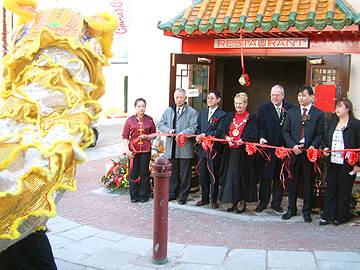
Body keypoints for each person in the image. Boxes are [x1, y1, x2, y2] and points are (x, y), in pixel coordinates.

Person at [282, 86, 325, 223]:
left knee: (308, 182)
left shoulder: (318, 114)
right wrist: (292, 145)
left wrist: (313, 146)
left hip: (308, 153)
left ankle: (307, 211)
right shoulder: (292, 112)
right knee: (293, 182)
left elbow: (320, 133)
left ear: (311, 97)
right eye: (299, 95)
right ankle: (291, 209)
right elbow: (286, 131)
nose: (301, 98)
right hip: (295, 152)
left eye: (304, 95)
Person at [320, 98, 360, 226]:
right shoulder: (333, 123)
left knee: (344, 191)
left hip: (348, 164)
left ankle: (341, 216)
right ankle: (327, 216)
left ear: (347, 108)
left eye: (340, 107)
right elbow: (326, 139)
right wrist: (325, 149)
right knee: (330, 189)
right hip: (332, 162)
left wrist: (358, 165)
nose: (337, 109)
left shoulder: (355, 124)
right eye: (336, 107)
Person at [256, 85, 294, 213]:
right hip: (268, 149)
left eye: (277, 95)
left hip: (283, 149)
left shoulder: (291, 109)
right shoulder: (263, 109)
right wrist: (261, 138)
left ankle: (276, 203)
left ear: (283, 95)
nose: (275, 97)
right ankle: (263, 202)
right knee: (266, 177)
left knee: (280, 177)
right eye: (272, 94)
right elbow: (260, 126)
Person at [156, 89, 198, 204]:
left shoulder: (192, 112)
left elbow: (194, 127)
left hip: (185, 149)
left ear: (185, 98)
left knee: (185, 175)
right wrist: (169, 130)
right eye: (176, 97)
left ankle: (183, 196)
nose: (178, 100)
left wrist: (183, 133)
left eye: (180, 97)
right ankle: (172, 193)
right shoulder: (169, 110)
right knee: (173, 173)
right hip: (171, 148)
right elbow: (160, 124)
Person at [219, 92, 258, 213]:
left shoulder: (252, 118)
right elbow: (222, 130)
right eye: (236, 103)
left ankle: (242, 201)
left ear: (246, 104)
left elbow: (254, 135)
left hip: (244, 154)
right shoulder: (229, 116)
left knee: (242, 178)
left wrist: (244, 140)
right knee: (231, 177)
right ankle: (233, 200)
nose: (238, 106)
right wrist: (226, 137)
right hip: (230, 153)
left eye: (240, 103)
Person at [195, 90, 226, 209]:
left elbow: (220, 131)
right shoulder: (202, 113)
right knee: (202, 174)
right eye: (208, 98)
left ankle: (214, 199)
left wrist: (205, 135)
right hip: (202, 149)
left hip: (214, 150)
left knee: (213, 174)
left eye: (212, 98)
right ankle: (204, 198)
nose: (209, 100)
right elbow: (198, 128)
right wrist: (198, 135)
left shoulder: (222, 115)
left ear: (218, 99)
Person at [122, 98, 156, 203]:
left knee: (144, 173)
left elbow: (154, 134)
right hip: (133, 151)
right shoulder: (129, 120)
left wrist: (148, 137)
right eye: (139, 106)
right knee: (133, 172)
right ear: (135, 107)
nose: (141, 108)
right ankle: (134, 196)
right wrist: (127, 150)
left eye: (143, 106)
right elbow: (125, 137)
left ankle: (144, 195)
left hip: (145, 151)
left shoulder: (149, 119)